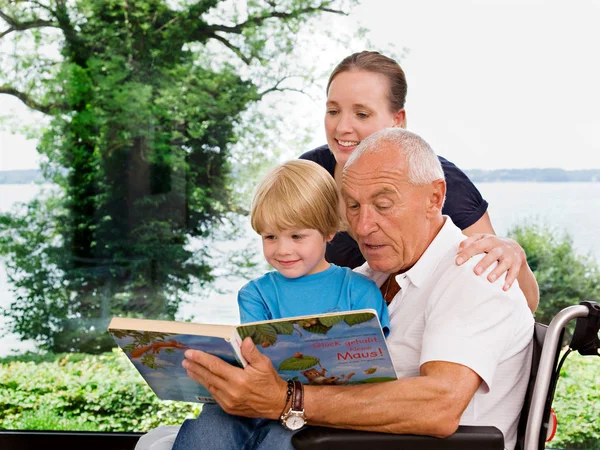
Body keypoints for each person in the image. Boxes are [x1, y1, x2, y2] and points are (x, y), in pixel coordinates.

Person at [178, 128, 534, 450]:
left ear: (434, 198)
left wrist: (286, 399)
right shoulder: (371, 276)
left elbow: (439, 405)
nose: (363, 226)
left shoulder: (476, 273)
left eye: (382, 204)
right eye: (352, 206)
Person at [135, 159, 390, 450]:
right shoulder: (255, 294)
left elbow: (375, 368)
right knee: (209, 425)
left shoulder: (359, 291)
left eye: (297, 236)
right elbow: (252, 362)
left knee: (284, 440)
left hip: (320, 409)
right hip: (254, 402)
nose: (283, 249)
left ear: (329, 231)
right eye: (270, 237)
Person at [299, 50, 540, 313]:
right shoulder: (309, 175)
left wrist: (514, 254)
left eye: (362, 114)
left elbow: (517, 299)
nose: (342, 127)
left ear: (397, 120)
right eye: (333, 111)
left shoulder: (441, 184)